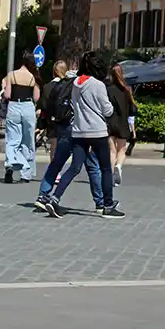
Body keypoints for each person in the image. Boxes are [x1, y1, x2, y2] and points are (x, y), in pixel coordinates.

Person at [38, 52, 124, 219]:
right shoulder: (98, 85)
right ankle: (107, 204)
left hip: (78, 130)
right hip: (97, 131)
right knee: (106, 168)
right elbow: (107, 110)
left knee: (74, 167)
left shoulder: (76, 83)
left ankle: (55, 198)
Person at [35, 63, 107, 214]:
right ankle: (100, 202)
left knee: (57, 162)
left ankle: (43, 195)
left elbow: (46, 106)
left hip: (63, 127)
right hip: (80, 128)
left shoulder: (57, 85)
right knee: (92, 165)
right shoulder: (82, 85)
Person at [3, 51, 41, 183]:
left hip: (14, 105)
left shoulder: (11, 75)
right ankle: (26, 174)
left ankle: (10, 165)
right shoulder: (33, 77)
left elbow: (7, 95)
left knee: (12, 139)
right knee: (28, 140)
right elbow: (36, 97)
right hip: (28, 107)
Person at [106, 64, 135, 185]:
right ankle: (119, 166)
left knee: (112, 151)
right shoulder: (127, 90)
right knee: (121, 150)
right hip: (123, 123)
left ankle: (111, 175)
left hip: (110, 122)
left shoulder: (107, 89)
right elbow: (133, 109)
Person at [41, 60, 69, 162]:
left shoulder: (47, 87)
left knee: (54, 144)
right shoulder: (69, 85)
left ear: (54, 71)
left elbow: (44, 105)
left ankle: (55, 169)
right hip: (67, 118)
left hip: (52, 119)